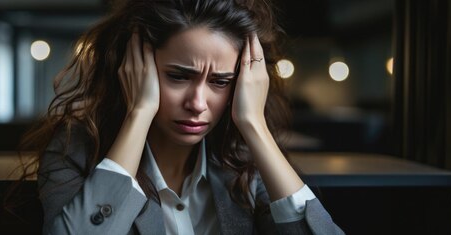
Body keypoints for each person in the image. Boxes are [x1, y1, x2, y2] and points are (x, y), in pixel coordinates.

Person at [19, 0, 344, 234]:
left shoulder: (243, 159)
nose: (198, 103)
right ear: (135, 70)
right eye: (178, 76)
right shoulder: (74, 149)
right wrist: (139, 112)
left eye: (220, 82)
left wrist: (255, 126)